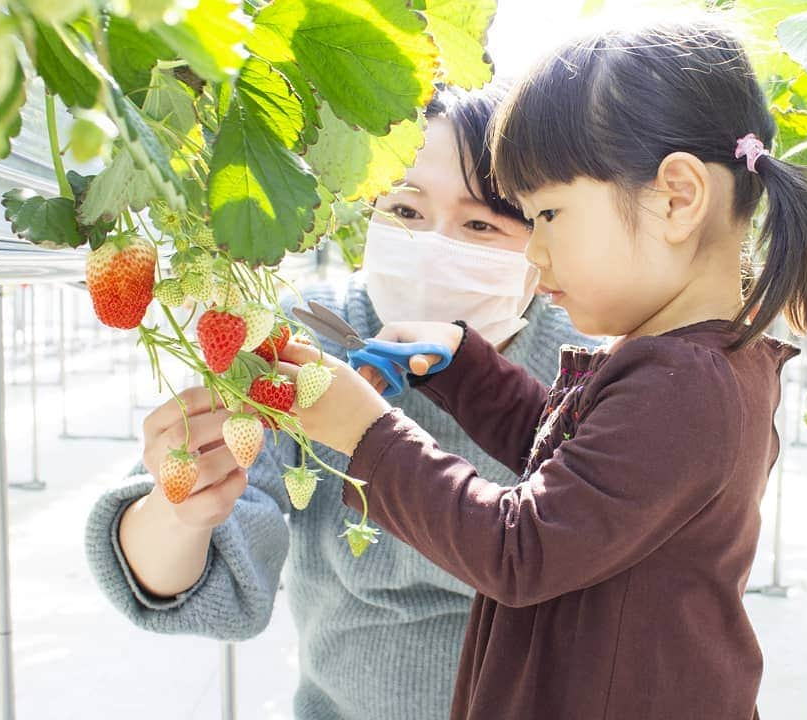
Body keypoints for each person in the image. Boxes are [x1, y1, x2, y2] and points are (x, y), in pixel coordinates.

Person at [274, 17, 807, 720]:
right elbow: (569, 462)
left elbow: (520, 548)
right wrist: (464, 366)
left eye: (547, 214)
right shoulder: (681, 363)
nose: (533, 255)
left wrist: (368, 437)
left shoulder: (685, 386)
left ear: (676, 198)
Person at [84, 81, 596, 720]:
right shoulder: (304, 337)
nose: (434, 245)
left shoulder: (586, 371)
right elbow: (179, 576)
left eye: (480, 224)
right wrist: (182, 506)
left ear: (541, 240)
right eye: (406, 212)